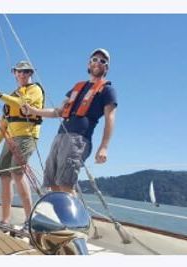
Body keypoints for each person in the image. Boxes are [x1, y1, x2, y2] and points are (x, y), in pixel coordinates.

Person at [22, 49, 117, 194]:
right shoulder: (77, 88)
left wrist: (104, 147)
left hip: (78, 140)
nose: (98, 62)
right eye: (95, 59)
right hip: (60, 136)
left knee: (65, 183)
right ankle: (59, 216)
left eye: (103, 61)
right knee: (52, 181)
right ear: (89, 63)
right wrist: (34, 111)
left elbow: (110, 118)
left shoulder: (107, 90)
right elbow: (58, 111)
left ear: (106, 68)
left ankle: (72, 216)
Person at [0, 61, 44, 225]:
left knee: (17, 173)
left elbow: (22, 103)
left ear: (30, 74)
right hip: (10, 138)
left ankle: (29, 220)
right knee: (4, 177)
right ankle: (5, 219)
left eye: (25, 72)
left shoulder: (35, 90)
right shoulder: (12, 95)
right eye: (18, 72)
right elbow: (4, 122)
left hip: (27, 136)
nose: (22, 74)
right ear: (14, 74)